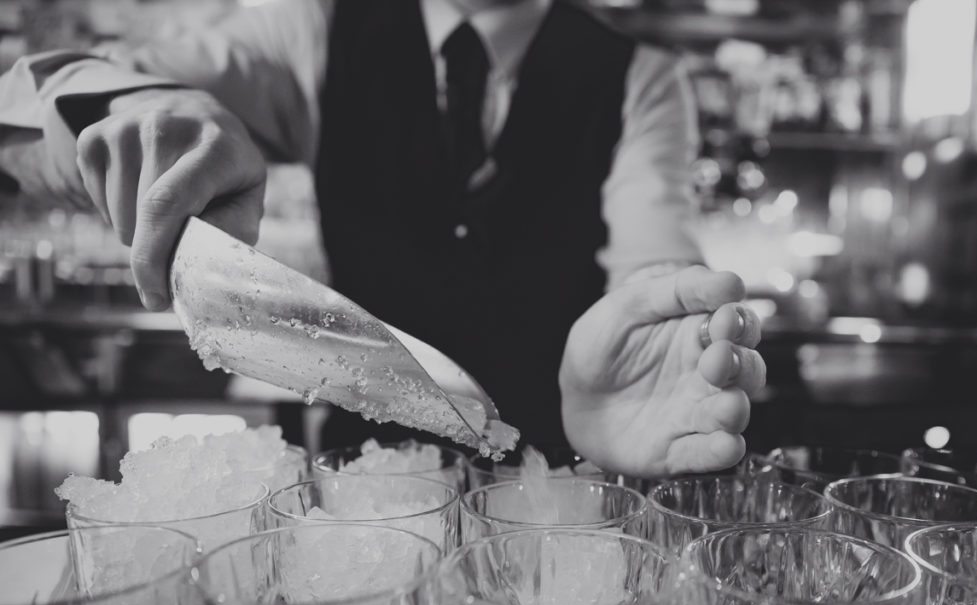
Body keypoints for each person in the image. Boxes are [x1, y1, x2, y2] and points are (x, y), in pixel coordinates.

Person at [0, 0, 765, 476]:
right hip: (363, 497)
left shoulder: (640, 77)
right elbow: (29, 96)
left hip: (553, 499)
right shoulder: (315, 28)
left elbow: (652, 254)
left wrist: (664, 336)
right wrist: (142, 108)